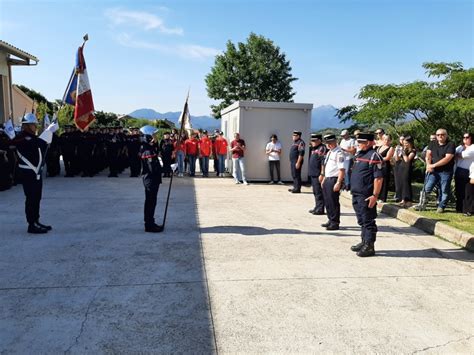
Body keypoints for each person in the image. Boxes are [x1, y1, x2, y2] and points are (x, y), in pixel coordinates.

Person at [12, 113, 58, 234]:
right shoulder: (22, 137)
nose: (35, 127)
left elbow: (42, 145)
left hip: (36, 173)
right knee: (31, 198)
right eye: (33, 124)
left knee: (37, 198)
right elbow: (35, 144)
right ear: (27, 125)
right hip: (28, 173)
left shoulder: (32, 137)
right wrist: (48, 132)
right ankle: (31, 225)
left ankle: (36, 220)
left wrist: (49, 132)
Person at [350, 133, 384, 257]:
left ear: (369, 142)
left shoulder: (374, 156)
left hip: (366, 194)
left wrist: (375, 195)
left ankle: (369, 246)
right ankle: (364, 241)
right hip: (356, 193)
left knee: (368, 220)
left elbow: (378, 178)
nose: (358, 144)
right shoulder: (360, 154)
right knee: (361, 220)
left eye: (361, 142)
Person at [414, 128, 455, 213]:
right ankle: (422, 204)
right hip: (433, 170)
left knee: (444, 190)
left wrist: (433, 165)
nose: (440, 136)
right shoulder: (432, 143)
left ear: (446, 136)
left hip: (445, 171)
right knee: (427, 188)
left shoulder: (450, 144)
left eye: (442, 134)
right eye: (438, 135)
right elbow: (428, 154)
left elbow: (447, 158)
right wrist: (428, 164)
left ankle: (441, 206)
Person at [139, 125, 164, 233]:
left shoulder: (149, 147)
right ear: (148, 136)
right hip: (150, 179)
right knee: (150, 202)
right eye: (153, 135)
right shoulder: (147, 150)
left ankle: (151, 222)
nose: (155, 136)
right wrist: (164, 170)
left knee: (152, 202)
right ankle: (149, 225)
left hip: (152, 178)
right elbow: (152, 168)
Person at [320, 134, 345, 230]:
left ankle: (335, 222)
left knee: (333, 201)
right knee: (327, 201)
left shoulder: (339, 153)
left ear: (335, 141)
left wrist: (338, 182)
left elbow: (342, 169)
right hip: (328, 178)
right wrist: (324, 179)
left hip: (334, 179)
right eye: (327, 143)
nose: (329, 145)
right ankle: (330, 219)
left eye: (330, 143)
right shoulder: (330, 152)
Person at [308, 134, 328, 215]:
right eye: (311, 140)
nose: (312, 142)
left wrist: (322, 174)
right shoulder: (314, 148)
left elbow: (323, 162)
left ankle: (320, 209)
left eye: (314, 140)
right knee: (315, 192)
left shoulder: (322, 148)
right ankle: (317, 206)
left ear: (319, 140)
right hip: (313, 173)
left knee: (319, 192)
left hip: (318, 174)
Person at [455, 133, 474, 213]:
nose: (465, 139)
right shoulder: (460, 147)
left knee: (468, 192)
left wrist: (456, 155)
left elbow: (463, 155)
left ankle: (469, 210)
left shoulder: (473, 147)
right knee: (459, 191)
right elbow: (454, 154)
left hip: (468, 171)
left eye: (467, 137)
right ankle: (460, 208)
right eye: (464, 137)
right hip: (459, 170)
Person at [398, 136, 417, 208]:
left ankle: (408, 200)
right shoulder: (404, 150)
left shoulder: (413, 151)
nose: (405, 145)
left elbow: (407, 160)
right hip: (401, 166)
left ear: (410, 143)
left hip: (407, 168)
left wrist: (403, 153)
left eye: (406, 143)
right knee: (401, 183)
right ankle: (402, 199)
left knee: (406, 183)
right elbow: (398, 158)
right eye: (404, 143)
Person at [376, 134, 395, 202]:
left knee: (384, 181)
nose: (386, 141)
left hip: (385, 166)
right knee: (377, 180)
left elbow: (387, 157)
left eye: (388, 140)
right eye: (385, 139)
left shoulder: (391, 148)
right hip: (377, 165)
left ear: (390, 141)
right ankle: (377, 195)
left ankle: (383, 197)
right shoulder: (379, 147)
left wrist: (378, 160)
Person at [393, 134, 405, 202]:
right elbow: (396, 158)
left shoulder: (408, 147)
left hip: (405, 165)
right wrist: (397, 151)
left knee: (403, 181)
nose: (402, 141)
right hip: (398, 164)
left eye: (403, 139)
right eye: (401, 139)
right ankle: (398, 195)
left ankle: (403, 196)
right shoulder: (398, 147)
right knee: (397, 181)